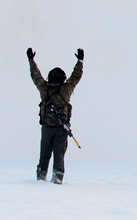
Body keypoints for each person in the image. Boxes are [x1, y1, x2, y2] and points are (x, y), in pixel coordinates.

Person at [27, 47, 83, 184]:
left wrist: (31, 60)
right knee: (59, 156)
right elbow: (75, 77)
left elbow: (36, 76)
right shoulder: (66, 90)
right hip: (61, 130)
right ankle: (57, 179)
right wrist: (80, 61)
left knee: (44, 156)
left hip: (46, 128)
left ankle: (40, 177)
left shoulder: (44, 89)